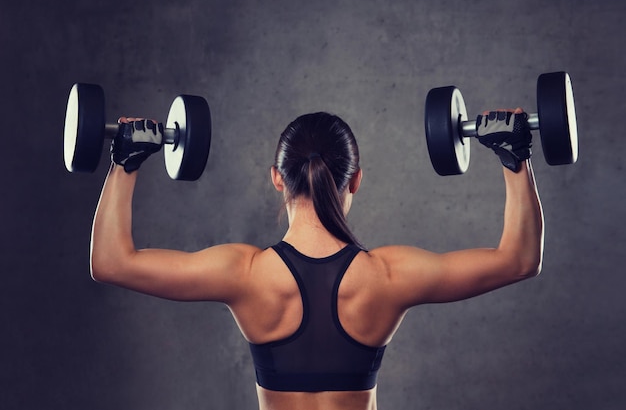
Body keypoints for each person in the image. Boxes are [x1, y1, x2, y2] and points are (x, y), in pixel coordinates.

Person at [91, 109, 543, 410]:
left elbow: (111, 261)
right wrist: (514, 156)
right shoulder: (388, 277)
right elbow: (518, 259)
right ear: (357, 181)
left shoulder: (245, 274)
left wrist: (125, 161)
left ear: (276, 179)